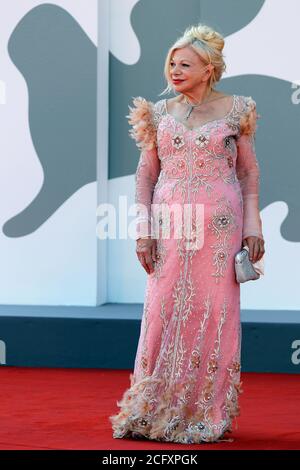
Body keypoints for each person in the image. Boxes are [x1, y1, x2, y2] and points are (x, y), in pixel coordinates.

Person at [109, 23, 265, 444]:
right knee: (161, 311)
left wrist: (254, 225)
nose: (175, 71)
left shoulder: (238, 109)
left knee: (214, 313)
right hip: (171, 226)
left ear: (209, 68)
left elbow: (248, 172)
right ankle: (150, 410)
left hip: (220, 228)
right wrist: (143, 231)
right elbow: (145, 177)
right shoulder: (157, 114)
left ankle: (205, 414)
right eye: (172, 64)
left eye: (185, 64)